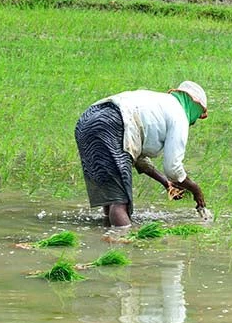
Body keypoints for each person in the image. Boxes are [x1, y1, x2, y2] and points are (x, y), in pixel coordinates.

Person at [74, 81, 212, 227]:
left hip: (87, 120)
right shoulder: (179, 115)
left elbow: (137, 157)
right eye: (197, 117)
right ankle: (122, 241)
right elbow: (173, 168)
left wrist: (166, 183)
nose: (194, 123)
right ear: (196, 105)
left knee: (112, 194)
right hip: (113, 122)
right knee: (121, 202)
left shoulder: (159, 103)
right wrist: (196, 190)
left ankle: (109, 237)